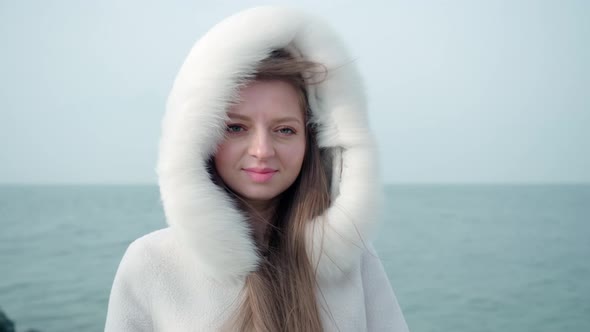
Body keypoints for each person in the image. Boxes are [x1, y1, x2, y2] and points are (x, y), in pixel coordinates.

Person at [105, 6, 409, 332]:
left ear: (312, 142)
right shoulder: (151, 262)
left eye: (285, 129)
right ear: (200, 139)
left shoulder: (349, 257)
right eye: (236, 128)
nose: (262, 151)